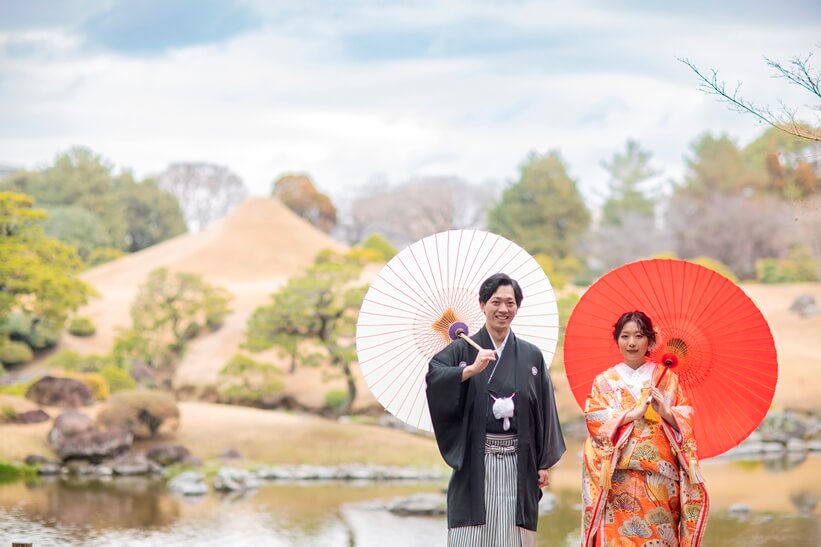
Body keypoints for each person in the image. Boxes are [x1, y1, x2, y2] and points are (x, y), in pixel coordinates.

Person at [426, 272, 566, 546]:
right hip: (476, 460)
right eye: (496, 302)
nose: (503, 309)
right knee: (473, 535)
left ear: (517, 307)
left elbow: (544, 408)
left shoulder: (530, 355)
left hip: (520, 461)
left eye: (510, 303)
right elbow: (435, 378)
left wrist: (543, 461)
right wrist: (470, 369)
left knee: (513, 536)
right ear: (482, 304)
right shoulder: (460, 350)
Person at [580, 311, 709, 547]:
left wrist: (666, 412)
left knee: (658, 536)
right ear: (617, 339)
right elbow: (594, 420)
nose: (631, 343)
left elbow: (686, 418)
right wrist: (632, 414)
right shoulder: (604, 380)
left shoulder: (667, 379)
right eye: (625, 336)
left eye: (639, 336)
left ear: (650, 340)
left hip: (660, 480)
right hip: (618, 478)